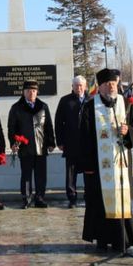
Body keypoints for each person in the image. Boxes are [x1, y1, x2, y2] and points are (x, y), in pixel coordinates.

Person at [78, 68, 133, 252]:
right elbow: (83, 137)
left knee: (122, 199)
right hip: (99, 167)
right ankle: (103, 239)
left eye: (114, 84)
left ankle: (122, 240)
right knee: (100, 202)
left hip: (121, 164)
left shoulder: (126, 103)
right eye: (107, 84)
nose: (111, 87)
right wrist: (87, 165)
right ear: (99, 87)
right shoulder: (90, 107)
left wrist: (128, 132)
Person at [7, 80, 56, 208]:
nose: (31, 93)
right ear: (23, 92)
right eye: (28, 91)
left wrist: (51, 142)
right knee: (26, 175)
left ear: (37, 92)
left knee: (41, 175)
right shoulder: (16, 108)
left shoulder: (43, 106)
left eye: (34, 91)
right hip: (25, 147)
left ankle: (39, 198)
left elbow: (49, 126)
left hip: (41, 146)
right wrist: (13, 142)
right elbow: (11, 127)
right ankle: (27, 198)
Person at [54, 75, 88, 207]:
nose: (78, 88)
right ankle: (72, 197)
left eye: (81, 85)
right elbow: (58, 122)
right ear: (72, 86)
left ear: (85, 87)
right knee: (70, 173)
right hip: (71, 142)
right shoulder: (65, 101)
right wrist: (60, 141)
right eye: (76, 85)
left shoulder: (90, 100)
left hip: (87, 144)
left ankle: (88, 196)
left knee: (88, 172)